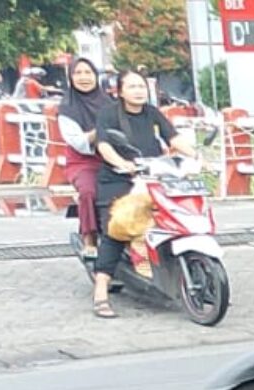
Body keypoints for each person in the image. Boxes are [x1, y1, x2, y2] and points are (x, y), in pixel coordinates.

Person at [89, 69, 183, 318]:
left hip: (151, 175)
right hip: (117, 179)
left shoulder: (152, 112)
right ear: (119, 91)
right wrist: (122, 163)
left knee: (176, 215)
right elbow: (104, 145)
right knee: (118, 229)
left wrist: (195, 155)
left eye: (141, 86)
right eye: (132, 87)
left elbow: (173, 137)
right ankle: (101, 292)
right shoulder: (109, 114)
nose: (138, 91)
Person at [56, 57, 110, 260]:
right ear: (70, 78)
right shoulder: (67, 109)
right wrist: (100, 130)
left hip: (112, 159)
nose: (84, 77)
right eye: (78, 73)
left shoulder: (109, 103)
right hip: (83, 162)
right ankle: (90, 238)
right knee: (89, 190)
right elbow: (78, 142)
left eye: (88, 72)